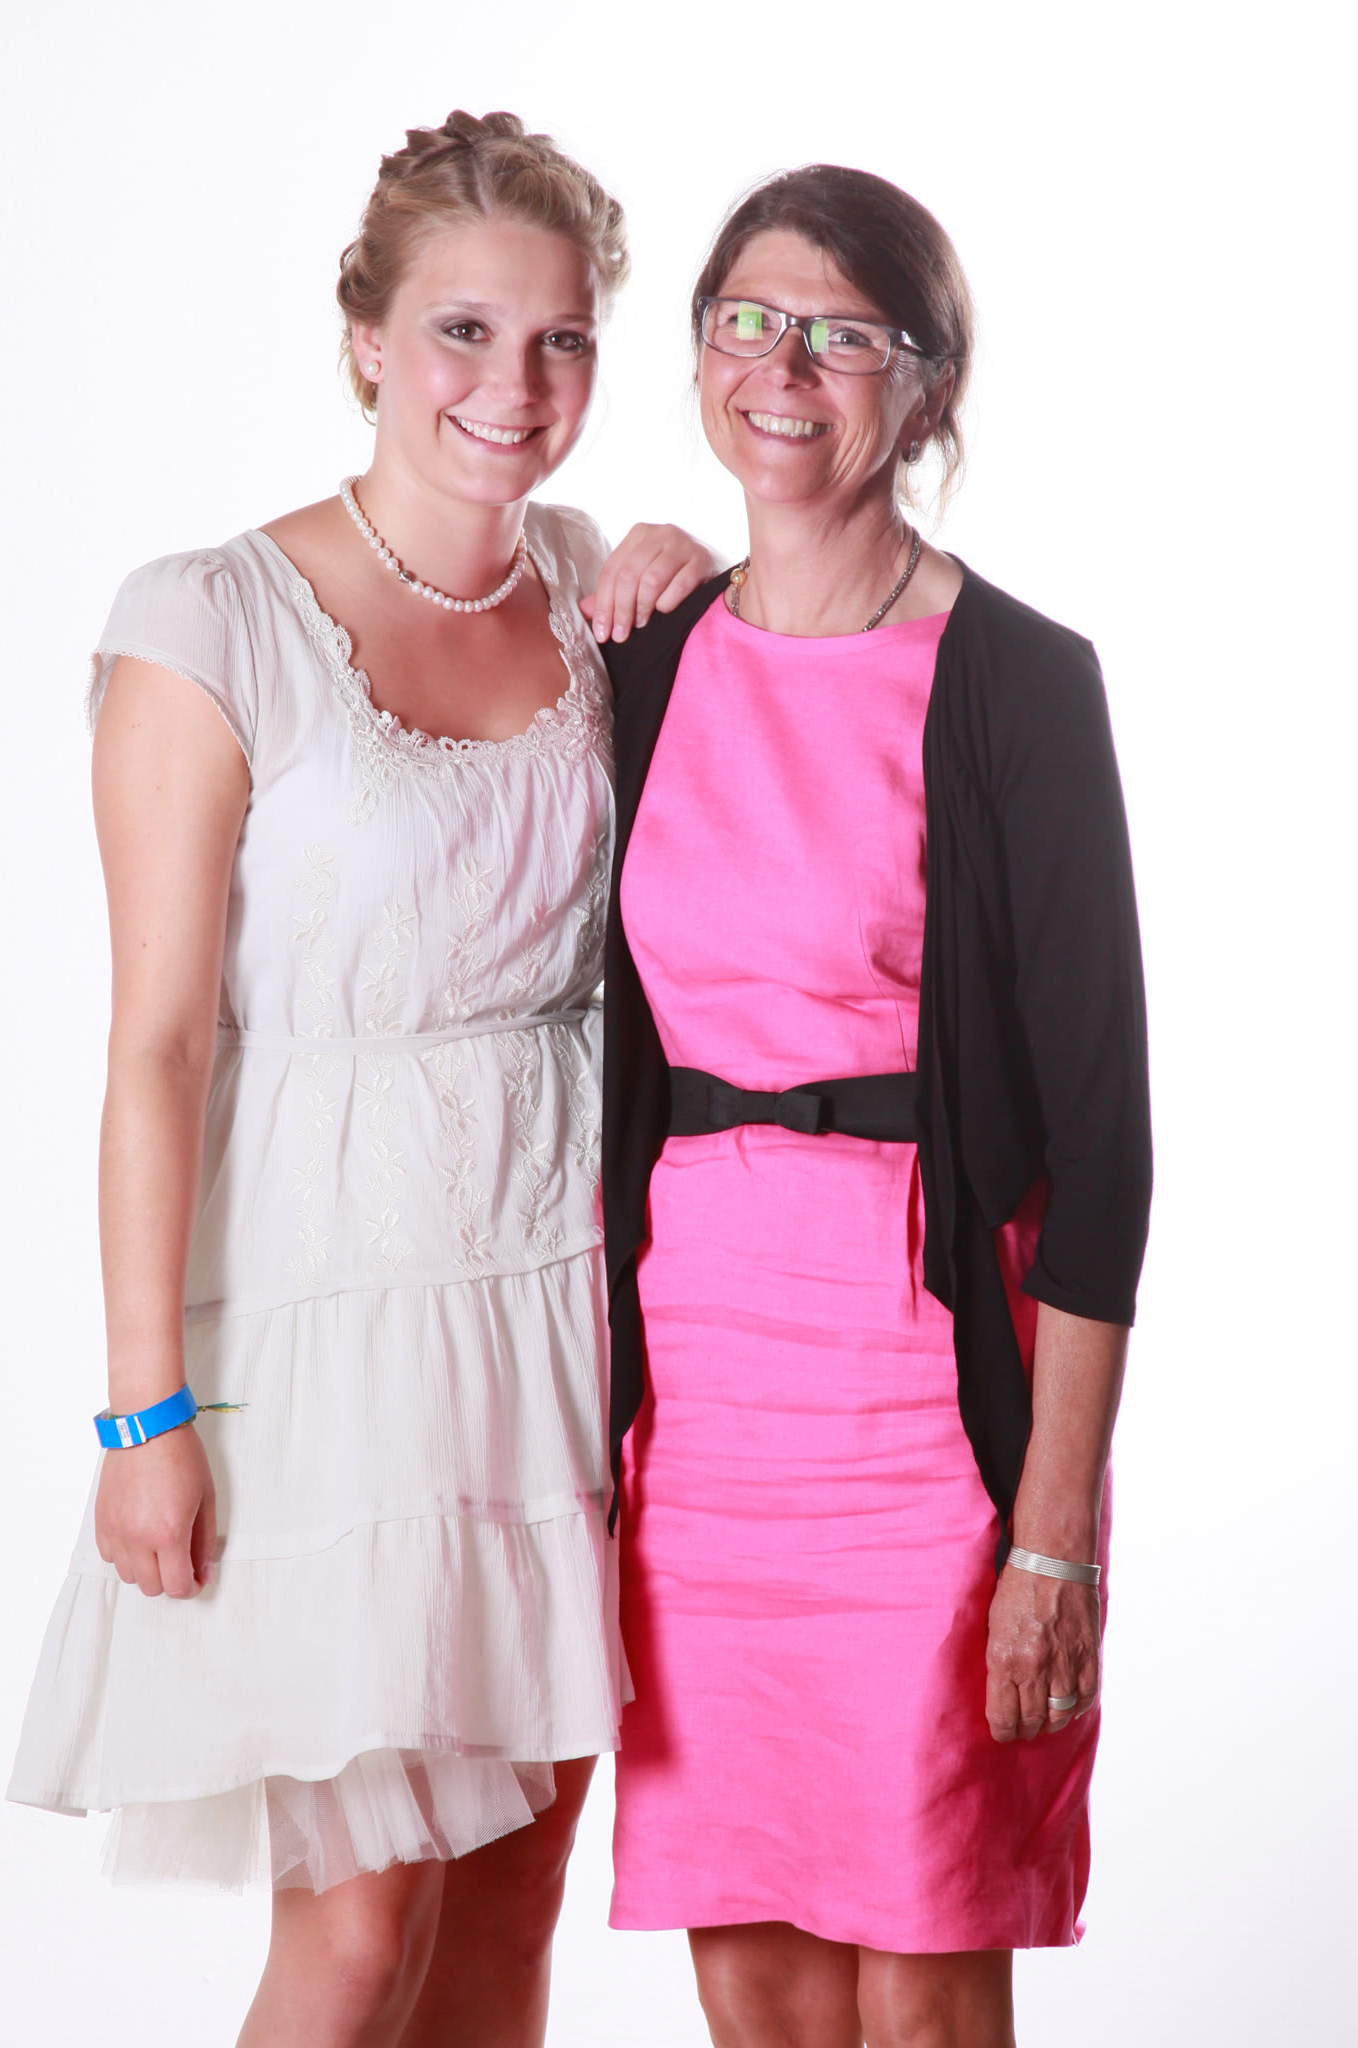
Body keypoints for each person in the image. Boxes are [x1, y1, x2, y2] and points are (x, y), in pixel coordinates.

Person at [7, 110, 715, 2048]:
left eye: (561, 341)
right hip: (326, 1327)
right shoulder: (207, 619)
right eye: (464, 331)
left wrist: (695, 579)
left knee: (511, 1907)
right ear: (366, 340)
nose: (515, 386)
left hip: (555, 1304)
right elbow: (157, 1046)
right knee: (352, 1932)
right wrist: (142, 1410)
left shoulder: (596, 585)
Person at [601, 164, 1151, 2048]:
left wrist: (1053, 1533)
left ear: (925, 388)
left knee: (921, 1988)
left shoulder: (1019, 684)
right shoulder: (643, 658)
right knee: (752, 1981)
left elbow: (1105, 1152)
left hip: (925, 1417)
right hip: (698, 1421)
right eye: (749, 320)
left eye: (843, 334)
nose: (785, 366)